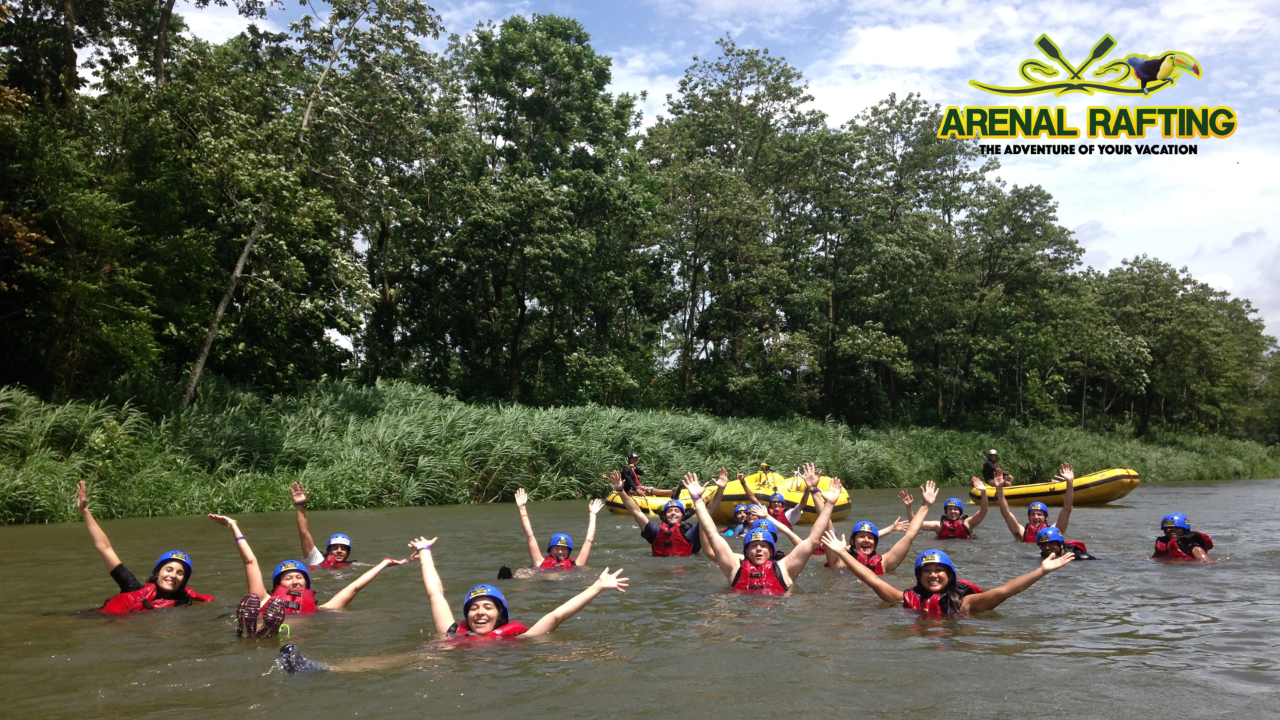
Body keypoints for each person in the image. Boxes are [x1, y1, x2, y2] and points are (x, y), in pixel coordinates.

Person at [277, 536, 631, 674]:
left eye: (489, 608)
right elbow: (435, 594)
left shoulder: (517, 642)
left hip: (495, 675)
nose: (480, 612)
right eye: (474, 608)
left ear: (502, 615)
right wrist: (426, 555)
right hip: (443, 663)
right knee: (412, 657)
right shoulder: (452, 632)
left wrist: (597, 587)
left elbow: (555, 615)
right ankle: (323, 668)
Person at [207, 514, 403, 638]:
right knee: (254, 612)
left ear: (308, 584)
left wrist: (384, 563)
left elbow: (354, 587)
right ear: (277, 584)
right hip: (260, 633)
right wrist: (233, 525)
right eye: (288, 577)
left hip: (288, 641)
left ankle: (260, 630)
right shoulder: (264, 599)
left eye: (300, 577)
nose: (295, 581)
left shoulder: (321, 609)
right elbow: (250, 561)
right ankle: (248, 627)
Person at [822, 531, 1075, 615]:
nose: (933, 575)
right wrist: (842, 553)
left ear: (950, 576)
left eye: (939, 571)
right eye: (927, 571)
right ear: (918, 577)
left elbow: (1005, 591)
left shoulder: (964, 604)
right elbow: (870, 578)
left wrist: (1040, 571)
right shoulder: (906, 599)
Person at [685, 469, 841, 595]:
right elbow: (712, 534)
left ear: (771, 550)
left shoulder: (785, 569)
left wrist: (828, 504)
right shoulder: (734, 567)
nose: (759, 548)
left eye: (763, 545)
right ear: (746, 551)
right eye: (753, 546)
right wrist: (697, 499)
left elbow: (813, 540)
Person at [77, 481, 214, 613]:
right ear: (157, 573)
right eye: (169, 569)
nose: (173, 576)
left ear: (183, 580)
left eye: (180, 573)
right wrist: (84, 510)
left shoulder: (184, 603)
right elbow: (105, 549)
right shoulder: (132, 588)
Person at [830, 481, 939, 575]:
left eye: (870, 537)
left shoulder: (883, 564)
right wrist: (829, 504)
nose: (866, 540)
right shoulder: (841, 563)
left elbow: (909, 536)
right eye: (861, 536)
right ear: (852, 541)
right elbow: (827, 532)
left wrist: (926, 505)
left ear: (875, 543)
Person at [608, 470, 701, 556]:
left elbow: (709, 515)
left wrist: (703, 497)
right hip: (660, 571)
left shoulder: (691, 533)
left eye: (677, 511)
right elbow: (636, 512)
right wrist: (620, 490)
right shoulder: (655, 532)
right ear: (664, 516)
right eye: (669, 511)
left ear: (683, 516)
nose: (673, 513)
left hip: (685, 572)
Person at [514, 488, 601, 570]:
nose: (560, 552)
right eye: (556, 548)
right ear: (550, 550)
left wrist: (592, 514)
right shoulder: (539, 563)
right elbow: (530, 535)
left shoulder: (577, 564)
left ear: (568, 552)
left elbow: (589, 540)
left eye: (563, 549)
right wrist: (522, 508)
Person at [995, 463, 1074, 542]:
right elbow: (1006, 513)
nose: (1036, 517)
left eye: (1039, 514)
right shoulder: (1021, 533)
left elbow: (1067, 508)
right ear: (1029, 517)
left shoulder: (1055, 531)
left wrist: (1070, 482)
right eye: (1032, 514)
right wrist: (999, 488)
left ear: (1046, 517)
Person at [289, 481, 352, 569]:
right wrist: (299, 505)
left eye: (343, 549)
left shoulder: (351, 565)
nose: (339, 551)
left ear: (348, 552)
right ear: (329, 550)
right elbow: (304, 533)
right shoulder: (316, 559)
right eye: (335, 548)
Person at [907, 478, 989, 540]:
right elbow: (914, 523)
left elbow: (983, 511)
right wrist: (909, 507)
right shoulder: (938, 525)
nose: (953, 511)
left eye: (956, 509)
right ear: (946, 511)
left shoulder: (968, 523)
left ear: (960, 511)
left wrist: (983, 491)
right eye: (950, 509)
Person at [741, 464, 810, 529]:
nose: (776, 503)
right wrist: (743, 483)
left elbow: (802, 504)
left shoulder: (789, 514)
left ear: (782, 504)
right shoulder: (765, 512)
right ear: (770, 504)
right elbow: (753, 499)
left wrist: (808, 488)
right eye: (774, 502)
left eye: (778, 502)